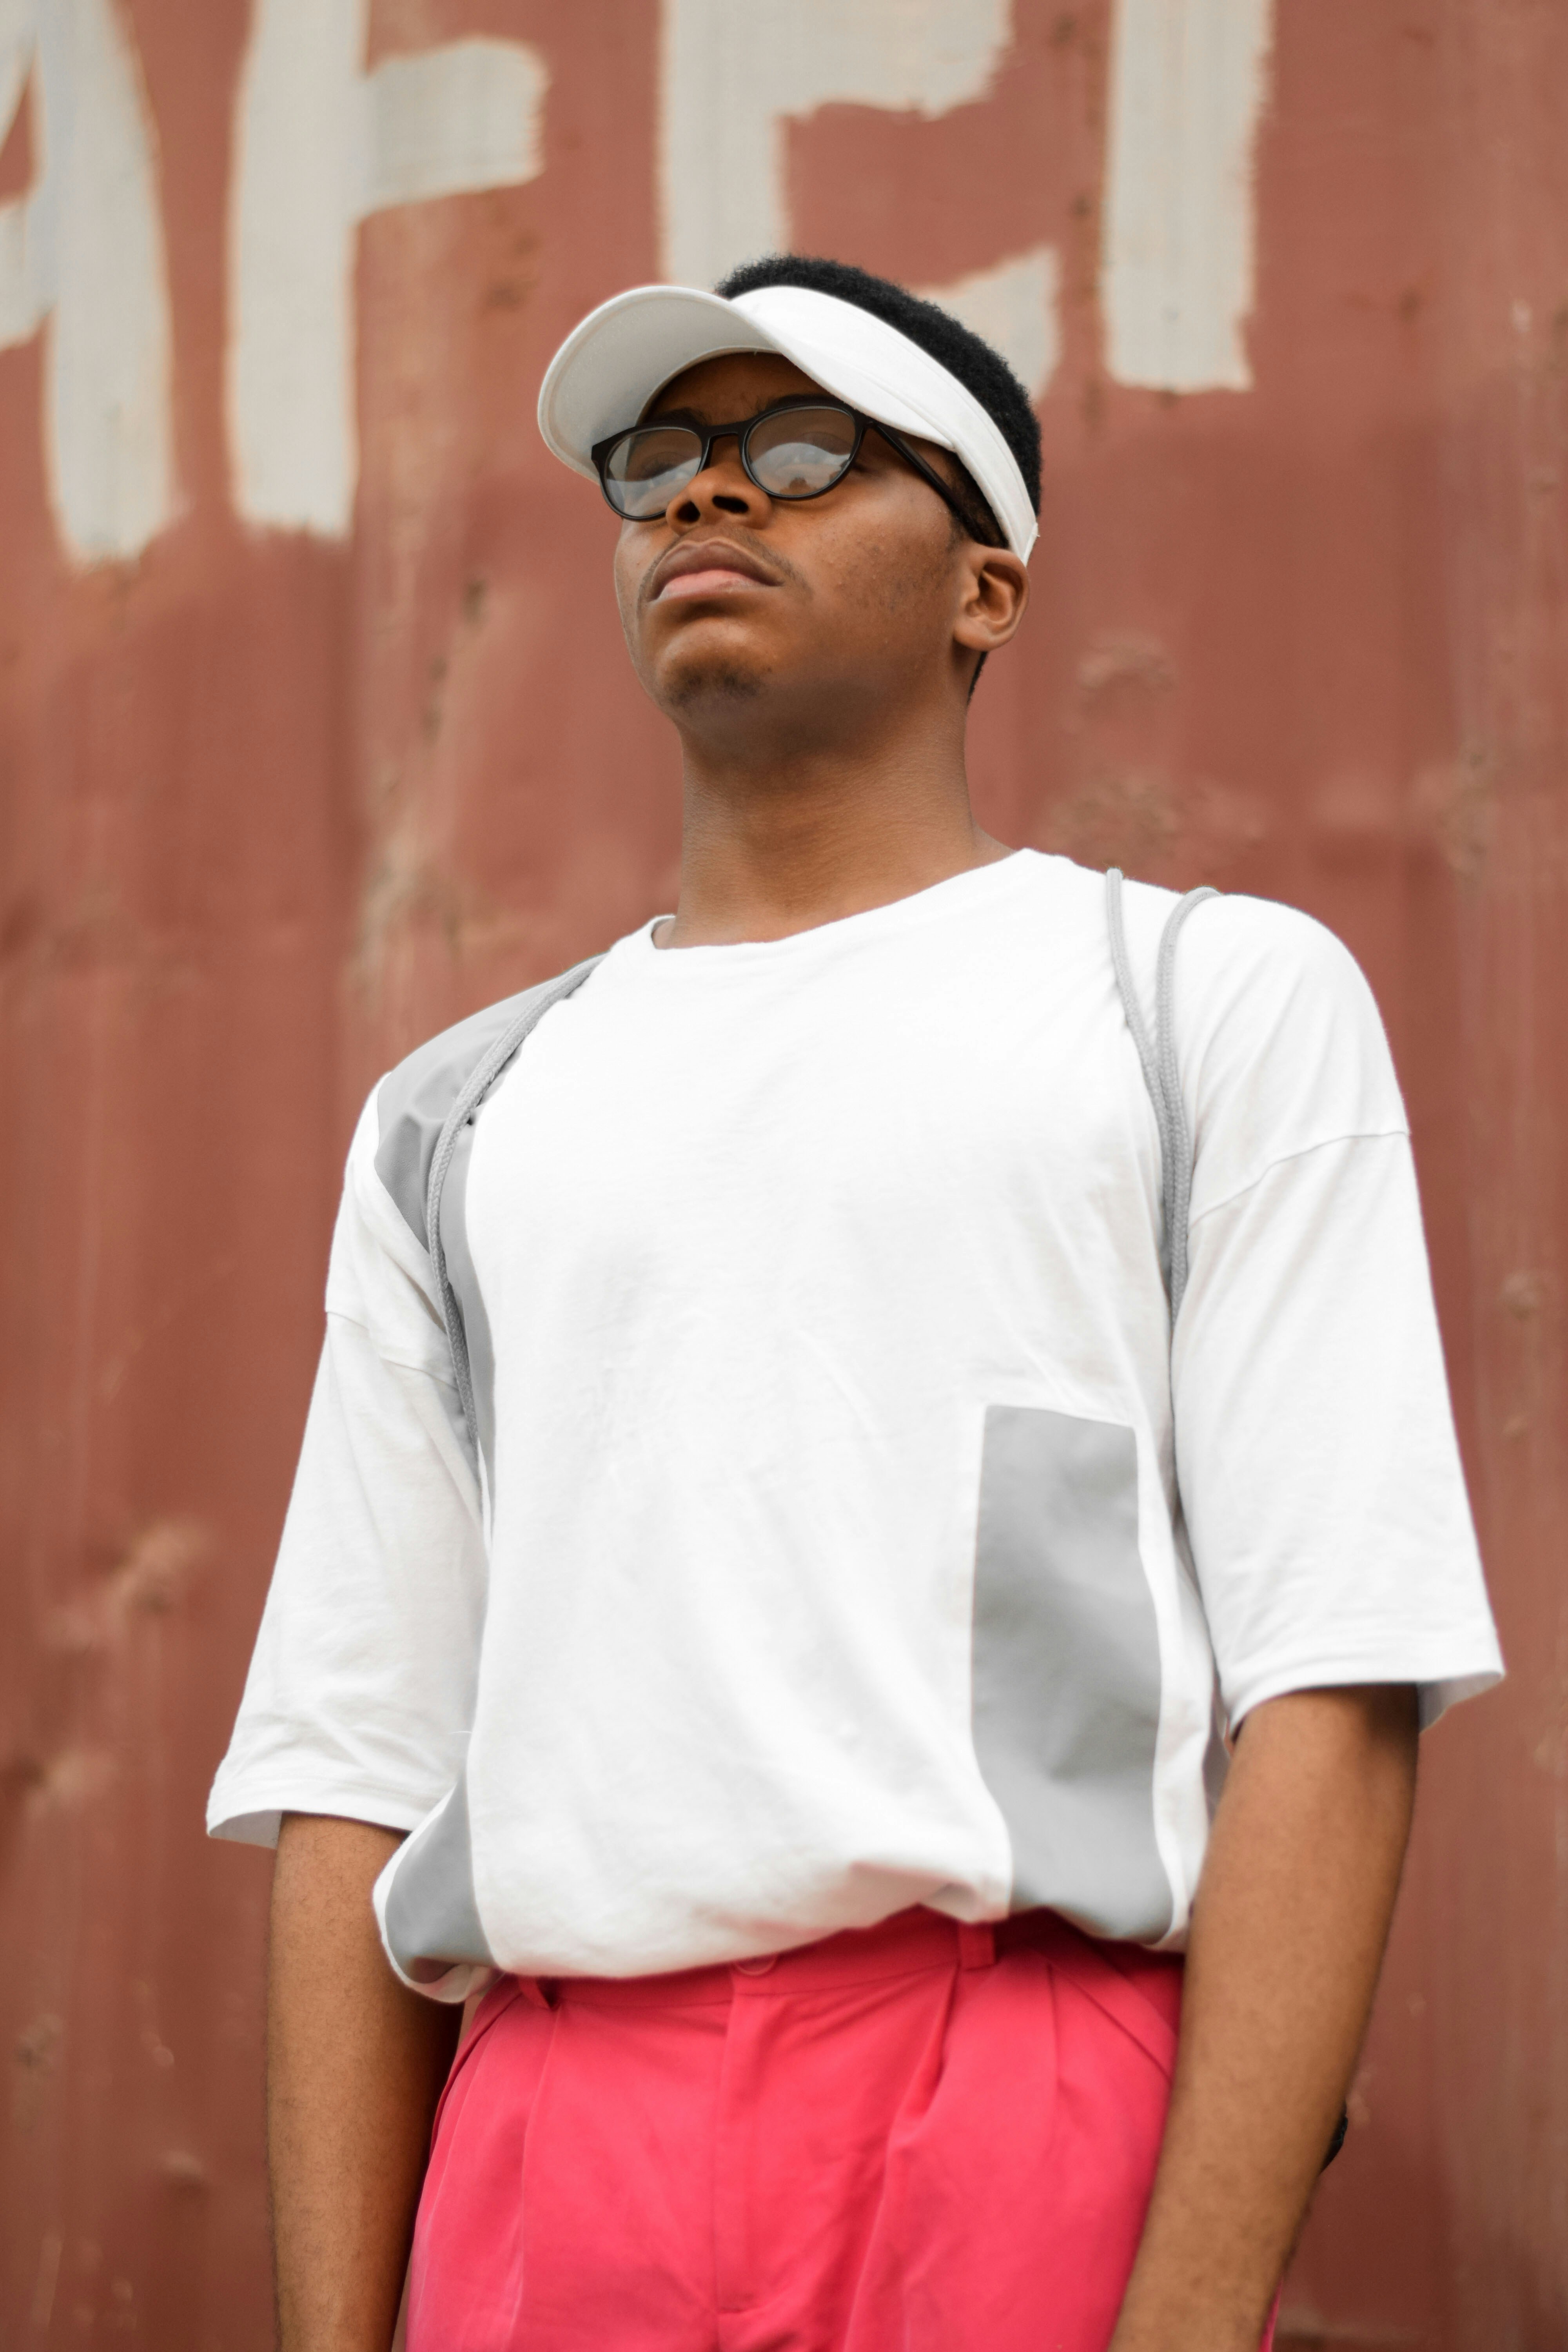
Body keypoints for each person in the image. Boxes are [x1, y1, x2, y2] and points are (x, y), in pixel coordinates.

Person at [209, 256, 1503, 2352]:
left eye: (805, 455)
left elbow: (1336, 1688)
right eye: (664, 466)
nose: (713, 502)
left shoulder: (1198, 1006)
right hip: (551, 2141)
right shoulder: (454, 1121)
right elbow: (357, 1768)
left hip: (1018, 2116)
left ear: (988, 584)